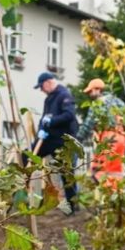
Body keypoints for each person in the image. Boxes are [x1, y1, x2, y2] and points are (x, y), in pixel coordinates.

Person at [34, 71, 80, 214]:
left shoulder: (64, 95)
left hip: (63, 142)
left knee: (66, 173)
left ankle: (72, 208)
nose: (41, 90)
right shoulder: (48, 100)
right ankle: (17, 192)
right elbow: (43, 119)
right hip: (49, 139)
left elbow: (69, 115)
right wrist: (40, 130)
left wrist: (52, 121)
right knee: (28, 155)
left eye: (41, 87)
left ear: (48, 83)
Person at [77, 78, 125, 183]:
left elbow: (87, 124)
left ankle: (103, 190)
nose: (89, 94)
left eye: (90, 91)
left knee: (100, 169)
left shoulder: (97, 104)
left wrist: (77, 139)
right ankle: (114, 190)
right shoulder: (118, 101)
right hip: (121, 137)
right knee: (115, 169)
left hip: (108, 138)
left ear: (98, 89)